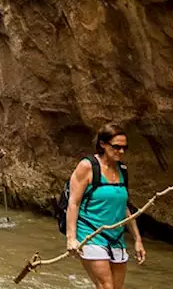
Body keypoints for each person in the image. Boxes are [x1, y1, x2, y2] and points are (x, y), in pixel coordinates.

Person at [66, 123, 146, 288]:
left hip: (116, 238)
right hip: (90, 234)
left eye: (124, 147)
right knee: (106, 286)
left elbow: (124, 207)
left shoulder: (122, 170)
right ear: (102, 144)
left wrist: (138, 239)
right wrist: (71, 239)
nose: (121, 151)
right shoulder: (87, 166)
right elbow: (73, 203)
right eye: (116, 147)